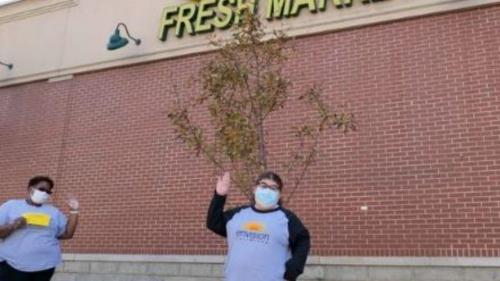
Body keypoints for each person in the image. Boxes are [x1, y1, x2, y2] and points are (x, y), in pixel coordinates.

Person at [207, 171, 310, 281]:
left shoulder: (287, 219)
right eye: (263, 185)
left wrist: (295, 267)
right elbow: (213, 223)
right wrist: (219, 196)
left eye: (273, 188)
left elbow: (303, 240)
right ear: (255, 189)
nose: (267, 190)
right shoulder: (237, 215)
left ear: (279, 194)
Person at [0, 176, 79, 281]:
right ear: (30, 189)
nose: (45, 193)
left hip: (45, 267)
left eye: (48, 192)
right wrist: (14, 225)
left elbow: (68, 234)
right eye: (41, 189)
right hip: (12, 266)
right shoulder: (11, 206)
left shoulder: (54, 212)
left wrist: (74, 211)